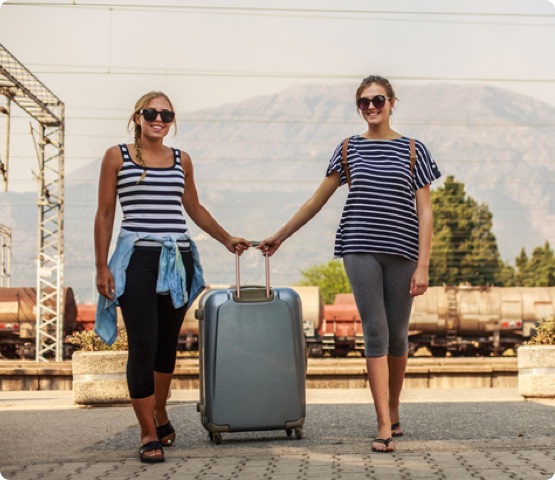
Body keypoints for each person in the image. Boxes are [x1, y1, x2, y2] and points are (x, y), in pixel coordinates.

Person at [258, 75, 441, 453]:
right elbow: (316, 200)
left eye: (378, 100)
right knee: (375, 332)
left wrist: (423, 265)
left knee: (398, 335)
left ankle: (393, 407)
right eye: (364, 102)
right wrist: (281, 234)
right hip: (359, 249)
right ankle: (382, 425)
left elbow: (425, 211)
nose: (371, 107)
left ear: (392, 102)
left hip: (404, 252)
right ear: (359, 107)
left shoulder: (413, 150)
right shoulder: (348, 149)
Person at [94, 91, 250, 463]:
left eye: (166, 114)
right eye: (151, 112)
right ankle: (148, 432)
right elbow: (104, 214)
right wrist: (101, 266)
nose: (158, 119)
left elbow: (193, 207)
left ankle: (160, 412)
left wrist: (226, 238)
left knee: (166, 345)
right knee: (143, 345)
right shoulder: (117, 156)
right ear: (137, 117)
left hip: (178, 257)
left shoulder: (182, 160)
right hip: (138, 258)